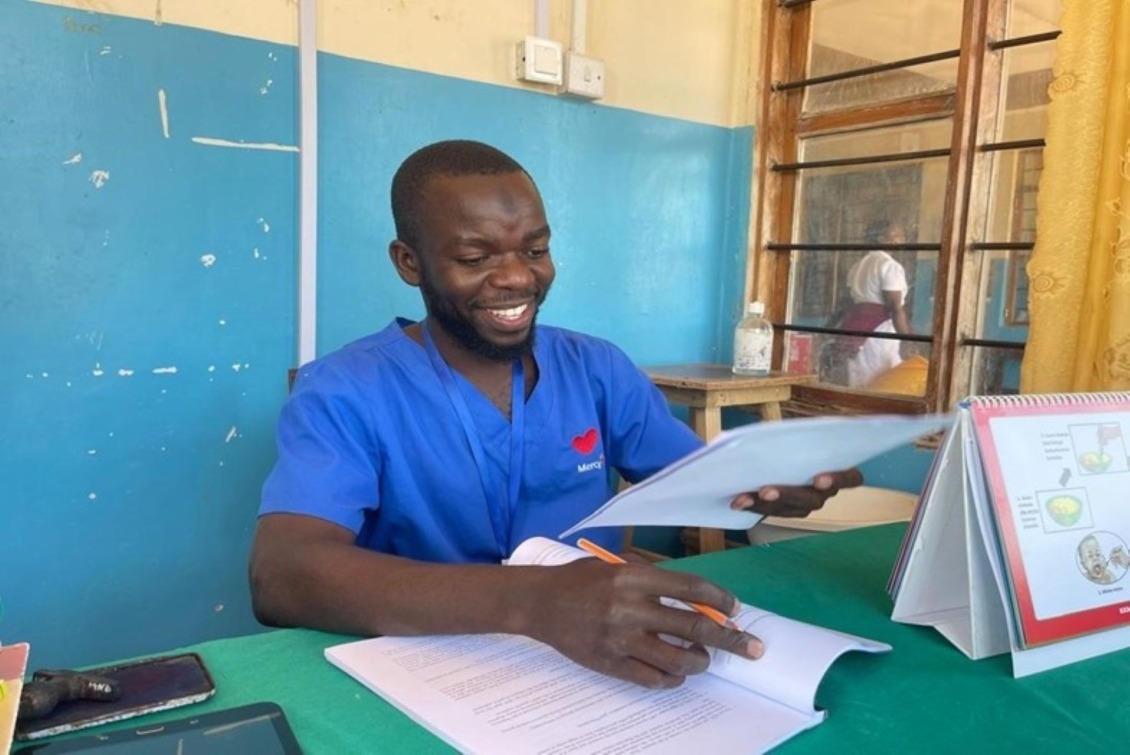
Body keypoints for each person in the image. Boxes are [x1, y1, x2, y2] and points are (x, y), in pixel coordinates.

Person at [249, 140, 861, 690]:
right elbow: (283, 576)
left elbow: (691, 478)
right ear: (410, 263)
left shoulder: (595, 366)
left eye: (535, 249)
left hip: (590, 661)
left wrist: (764, 484)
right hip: (423, 664)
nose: (517, 277)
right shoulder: (344, 389)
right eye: (475, 256)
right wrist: (534, 603)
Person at [824, 220, 914, 388]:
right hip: (880, 331)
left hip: (857, 329)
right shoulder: (889, 266)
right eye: (897, 235)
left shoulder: (858, 265)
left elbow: (848, 303)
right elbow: (895, 308)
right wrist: (909, 339)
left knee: (859, 378)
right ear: (881, 238)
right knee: (883, 379)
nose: (903, 240)